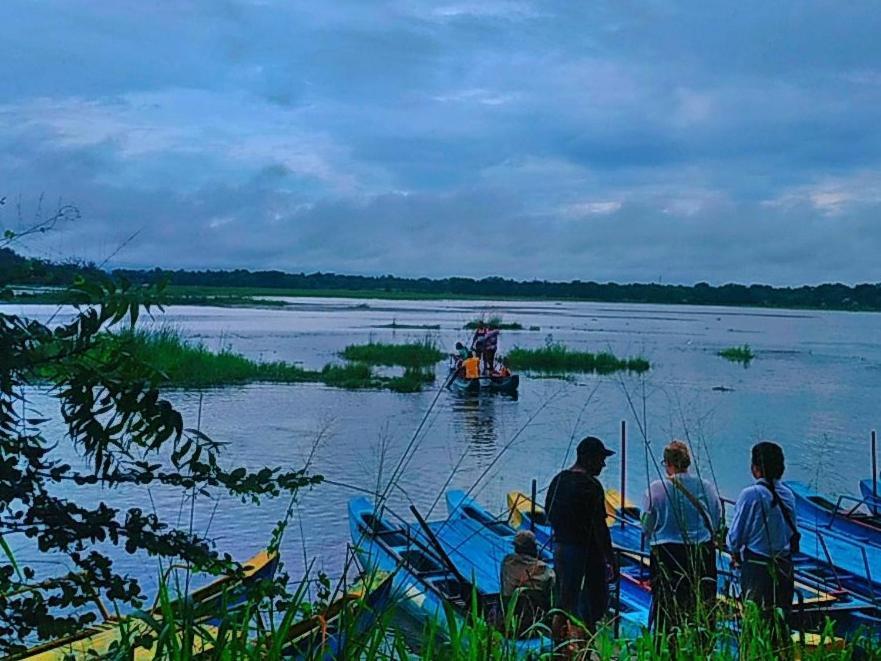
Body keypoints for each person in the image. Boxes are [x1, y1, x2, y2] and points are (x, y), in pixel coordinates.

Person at [642, 441, 721, 645]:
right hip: (701, 552)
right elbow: (716, 518)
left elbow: (647, 525)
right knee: (702, 604)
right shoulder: (706, 487)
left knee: (666, 607)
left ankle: (667, 647)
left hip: (667, 554)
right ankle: (702, 647)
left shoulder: (657, 488)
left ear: (667, 463)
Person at [727, 441, 797, 650]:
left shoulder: (751, 494)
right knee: (780, 622)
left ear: (756, 468)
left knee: (754, 623)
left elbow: (735, 537)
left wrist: (734, 552)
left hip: (758, 568)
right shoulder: (788, 494)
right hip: (784, 566)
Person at [545, 436, 617, 636]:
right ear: (588, 458)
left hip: (560, 548)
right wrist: (610, 559)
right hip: (585, 554)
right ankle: (584, 646)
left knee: (564, 601)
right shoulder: (591, 485)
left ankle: (559, 646)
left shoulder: (558, 480)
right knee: (590, 604)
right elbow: (600, 528)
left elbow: (549, 514)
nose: (603, 464)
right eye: (600, 459)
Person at [500, 530, 555, 633]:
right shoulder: (546, 570)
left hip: (509, 619)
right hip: (534, 623)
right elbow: (552, 597)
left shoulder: (507, 562)